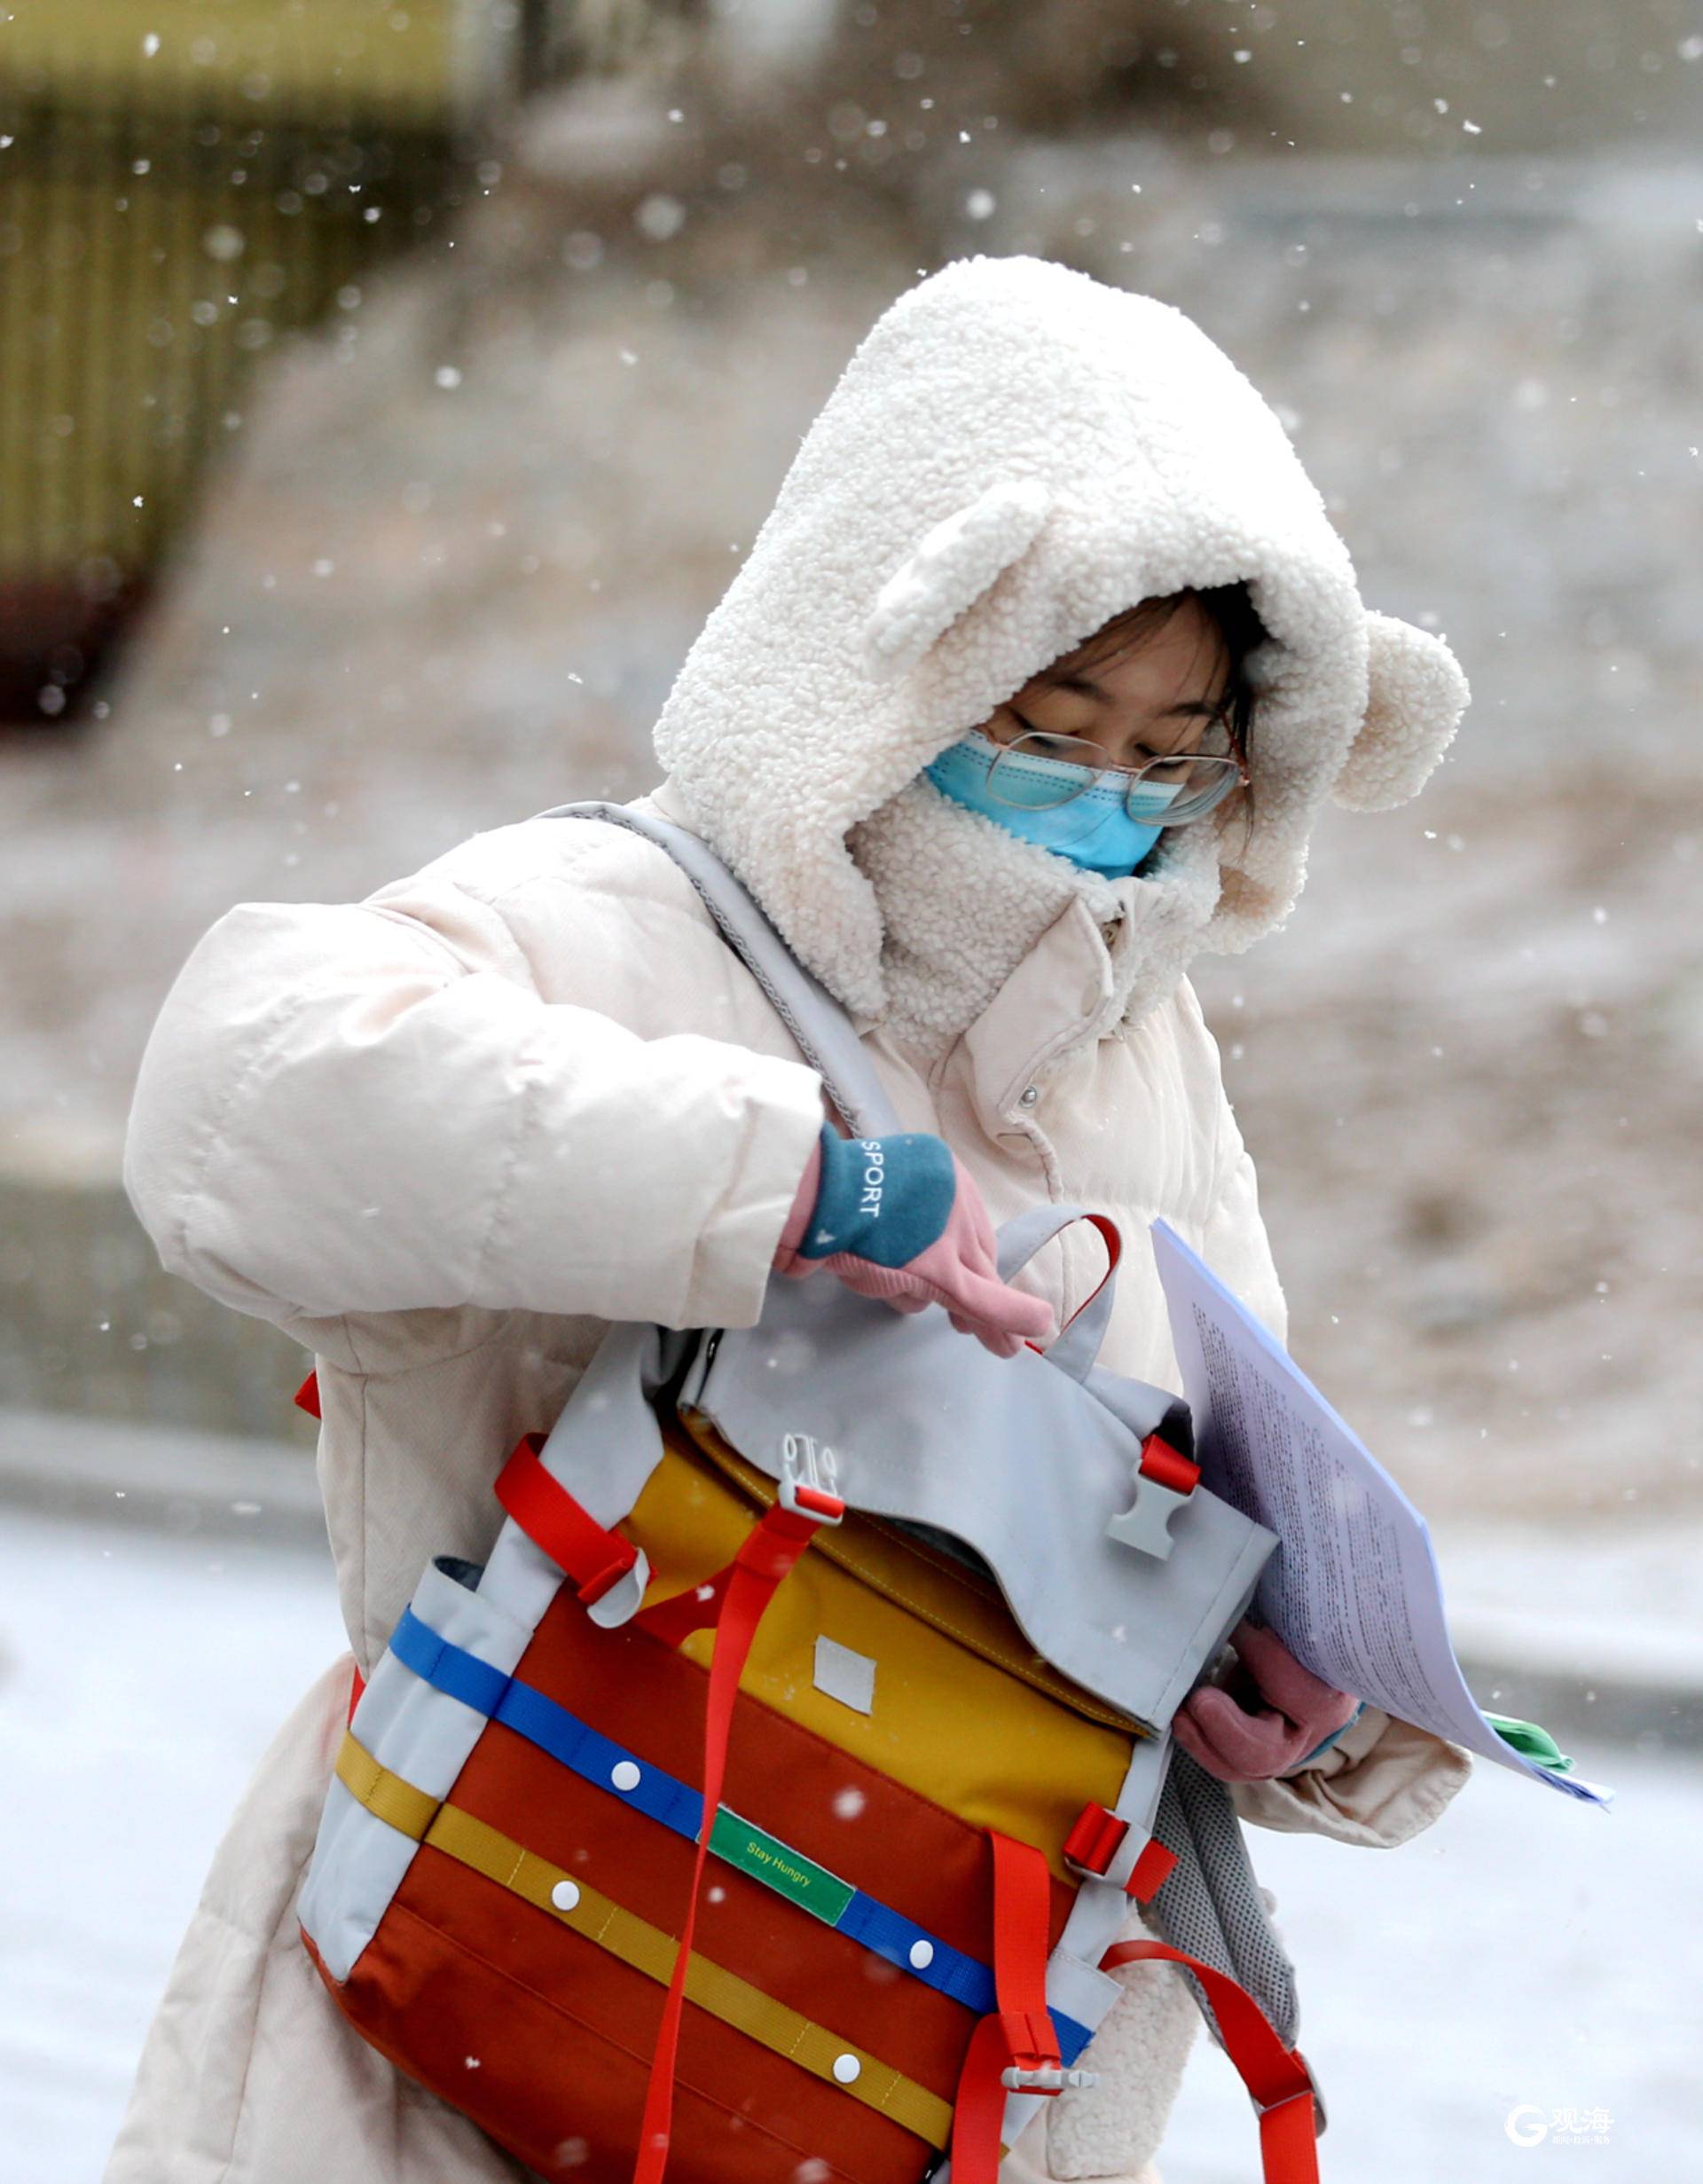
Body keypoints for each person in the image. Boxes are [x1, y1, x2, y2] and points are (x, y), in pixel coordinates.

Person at [112, 255, 1474, 2184]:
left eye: (1165, 753)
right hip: (489, 1994)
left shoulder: (1137, 1044)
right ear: (884, 652)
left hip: (947, 2068)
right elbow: (233, 1099)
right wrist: (784, 1185)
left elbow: (1224, 1448)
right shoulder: (611, 919)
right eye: (1053, 708)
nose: (1102, 790)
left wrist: (1293, 1687)